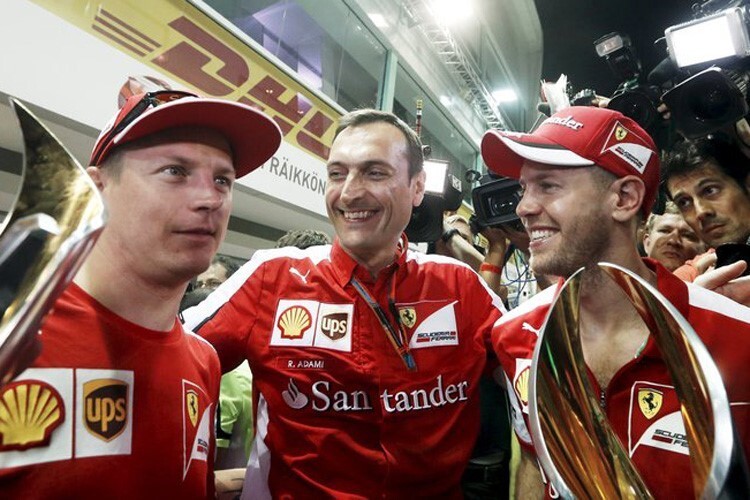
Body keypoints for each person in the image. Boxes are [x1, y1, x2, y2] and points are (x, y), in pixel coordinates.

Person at [182, 109, 507, 498]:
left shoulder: (460, 286)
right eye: (337, 173)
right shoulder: (271, 277)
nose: (349, 192)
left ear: (418, 186)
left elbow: (543, 385)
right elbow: (166, 361)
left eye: (375, 172)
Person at [0, 90, 281, 497]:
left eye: (223, 179)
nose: (210, 199)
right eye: (175, 171)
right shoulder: (15, 330)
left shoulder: (204, 363)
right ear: (95, 189)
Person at [480, 106, 750, 498]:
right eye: (524, 188)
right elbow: (535, 462)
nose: (523, 208)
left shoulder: (738, 336)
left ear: (624, 198)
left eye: (548, 186)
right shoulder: (513, 334)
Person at [662, 138, 750, 281]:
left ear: (747, 184)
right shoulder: (688, 280)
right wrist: (699, 300)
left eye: (710, 190)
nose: (701, 211)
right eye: (684, 202)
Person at [642, 201, 706, 272]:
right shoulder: (628, 280)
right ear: (647, 243)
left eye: (687, 235)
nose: (673, 241)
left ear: (704, 250)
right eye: (665, 231)